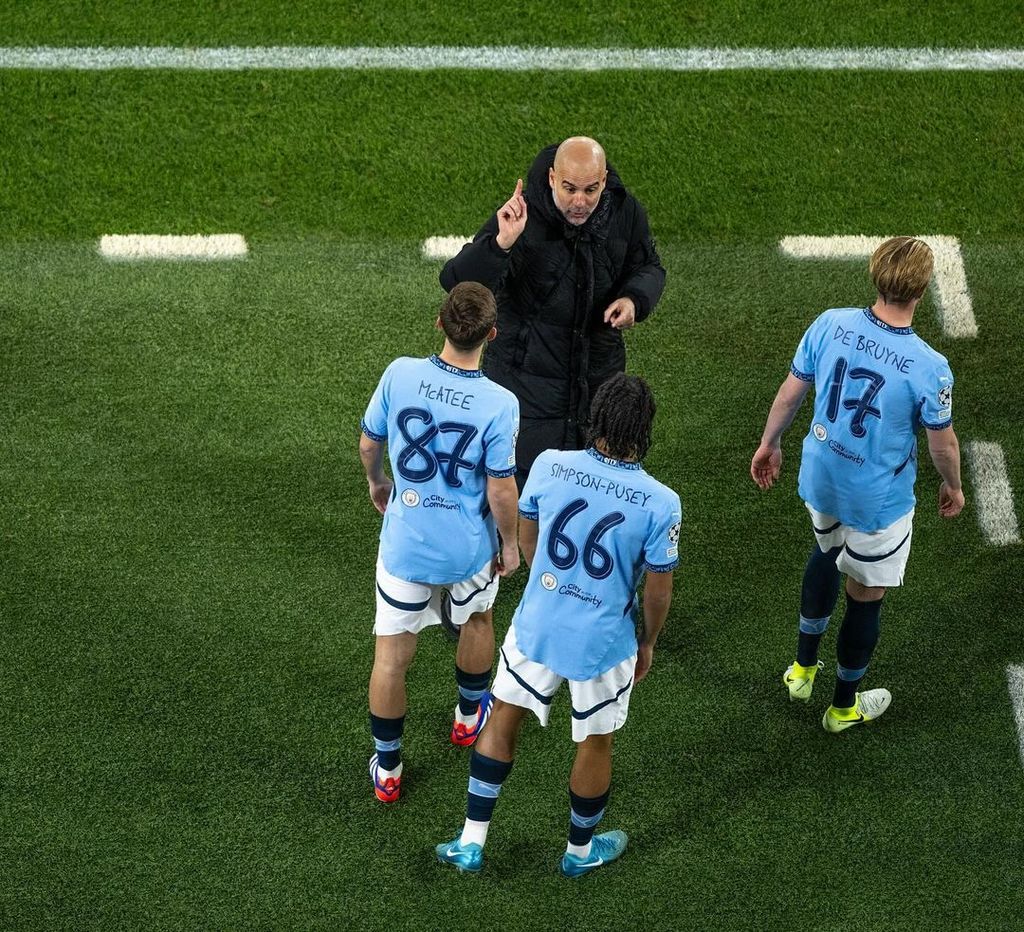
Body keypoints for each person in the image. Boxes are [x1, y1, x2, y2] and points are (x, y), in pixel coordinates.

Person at [435, 374, 681, 876]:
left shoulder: (551, 464)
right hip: (604, 643)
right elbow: (658, 591)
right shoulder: (661, 502)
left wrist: (548, 582)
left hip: (537, 625)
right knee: (595, 740)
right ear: (645, 429)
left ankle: (471, 841)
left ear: (598, 418)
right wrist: (648, 641)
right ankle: (578, 853)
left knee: (503, 716)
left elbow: (527, 539)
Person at [750, 236, 965, 733]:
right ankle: (844, 706)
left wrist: (770, 443)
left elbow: (790, 392)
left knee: (825, 550)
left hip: (821, 477)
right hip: (877, 500)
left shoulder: (830, 323)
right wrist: (952, 486)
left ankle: (802, 669)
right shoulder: (931, 366)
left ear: (875, 274)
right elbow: (941, 444)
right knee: (866, 594)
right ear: (923, 289)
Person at [359, 282, 521, 803]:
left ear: (439, 322)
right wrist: (511, 543)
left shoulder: (400, 373)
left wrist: (377, 482)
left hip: (405, 548)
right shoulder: (501, 403)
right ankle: (469, 718)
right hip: (468, 550)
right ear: (491, 335)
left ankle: (388, 771)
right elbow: (500, 489)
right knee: (476, 620)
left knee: (390, 658)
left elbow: (368, 442)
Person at [440, 136, 666, 488]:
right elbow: (456, 282)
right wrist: (501, 244)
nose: (580, 201)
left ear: (604, 181)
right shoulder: (520, 216)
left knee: (590, 492)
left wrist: (635, 299)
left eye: (591, 190)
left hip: (597, 383)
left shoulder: (626, 213)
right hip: (527, 389)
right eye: (569, 188)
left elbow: (649, 267)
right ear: (551, 179)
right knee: (527, 498)